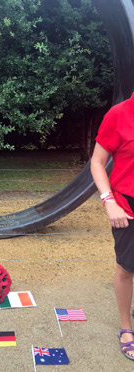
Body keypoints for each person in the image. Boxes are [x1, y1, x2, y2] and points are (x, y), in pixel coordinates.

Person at [91, 92, 134, 361]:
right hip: (127, 205)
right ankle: (126, 328)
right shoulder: (119, 114)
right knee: (127, 268)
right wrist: (108, 201)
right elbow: (96, 162)